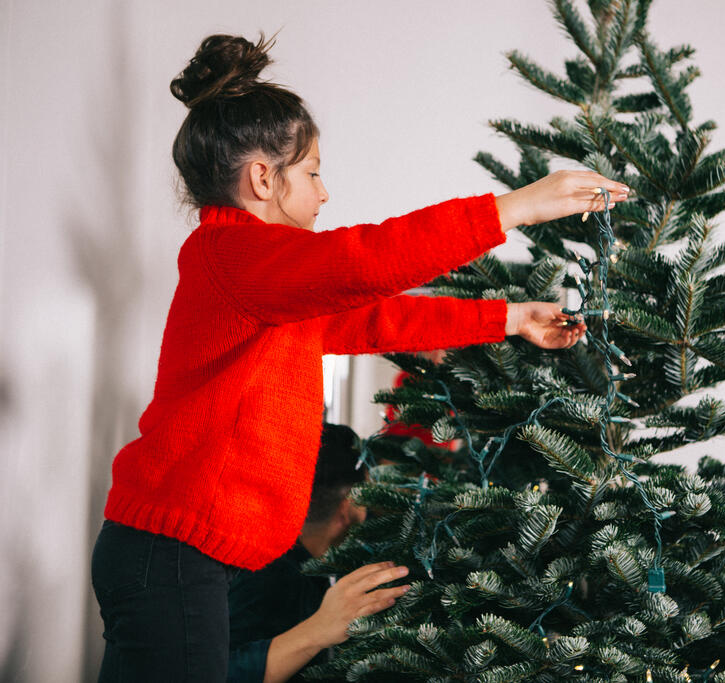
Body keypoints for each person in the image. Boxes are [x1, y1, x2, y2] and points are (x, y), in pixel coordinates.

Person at [90, 32, 630, 681]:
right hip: (173, 554)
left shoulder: (267, 285)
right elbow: (362, 261)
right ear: (263, 177)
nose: (323, 194)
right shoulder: (232, 259)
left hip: (186, 555)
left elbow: (377, 317)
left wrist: (509, 317)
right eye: (313, 172)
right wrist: (515, 208)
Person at [228, 422, 369, 682]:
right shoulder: (269, 576)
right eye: (369, 495)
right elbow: (221, 671)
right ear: (348, 506)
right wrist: (316, 631)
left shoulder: (303, 563)